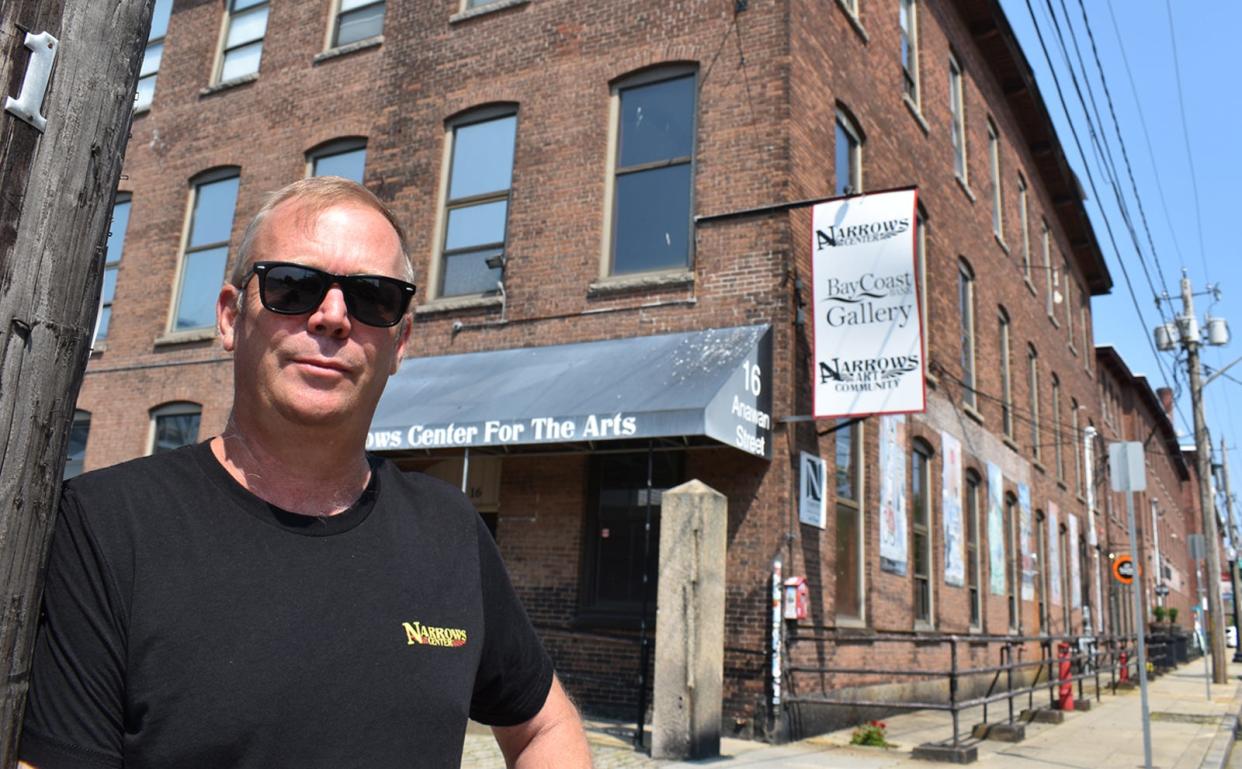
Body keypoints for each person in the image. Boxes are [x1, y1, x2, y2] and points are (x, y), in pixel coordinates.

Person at [18, 177, 593, 768]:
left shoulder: (449, 529)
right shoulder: (107, 526)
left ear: (401, 342)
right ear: (228, 317)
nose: (334, 316)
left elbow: (544, 727)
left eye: (374, 297)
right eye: (294, 286)